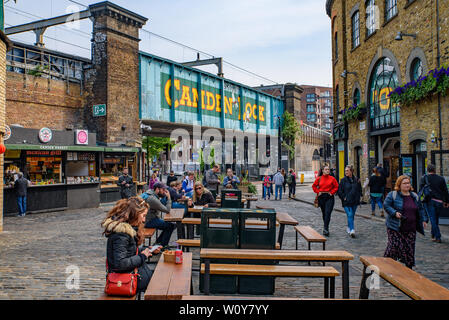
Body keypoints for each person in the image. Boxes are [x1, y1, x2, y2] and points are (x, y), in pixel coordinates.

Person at [102, 197, 161, 295]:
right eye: (143, 215)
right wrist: (143, 256)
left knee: (160, 276)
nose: (144, 219)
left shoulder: (127, 230)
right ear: (135, 214)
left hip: (132, 274)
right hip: (126, 279)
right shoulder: (121, 235)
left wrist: (147, 250)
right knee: (162, 281)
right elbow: (120, 263)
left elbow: (129, 252)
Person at [383, 175, 428, 269]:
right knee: (394, 246)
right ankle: (386, 264)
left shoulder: (414, 196)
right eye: (405, 183)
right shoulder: (393, 195)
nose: (407, 185)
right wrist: (394, 213)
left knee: (409, 249)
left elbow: (420, 209)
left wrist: (424, 219)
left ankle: (409, 268)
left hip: (410, 228)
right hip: (395, 227)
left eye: (408, 183)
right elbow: (386, 205)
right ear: (399, 185)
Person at [419, 164, 449, 243]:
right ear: (434, 170)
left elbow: (421, 190)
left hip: (429, 201)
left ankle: (438, 236)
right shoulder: (441, 178)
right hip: (439, 202)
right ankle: (433, 234)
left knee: (433, 220)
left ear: (427, 170)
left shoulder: (424, 178)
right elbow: (445, 191)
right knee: (436, 219)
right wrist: (446, 201)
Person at [143, 182, 176, 247]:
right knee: (171, 226)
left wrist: (165, 197)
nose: (164, 191)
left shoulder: (150, 193)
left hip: (148, 219)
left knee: (169, 225)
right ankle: (163, 246)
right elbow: (167, 210)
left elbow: (161, 204)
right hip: (147, 221)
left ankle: (159, 242)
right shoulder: (152, 199)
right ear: (157, 189)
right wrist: (169, 198)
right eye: (163, 189)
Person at [312, 165, 339, 236]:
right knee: (324, 213)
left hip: (329, 197)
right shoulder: (319, 178)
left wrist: (332, 192)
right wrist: (318, 191)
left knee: (328, 212)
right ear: (323, 170)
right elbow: (314, 186)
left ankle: (326, 228)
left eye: (328, 169)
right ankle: (326, 226)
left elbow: (336, 186)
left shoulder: (332, 178)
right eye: (326, 169)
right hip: (321, 197)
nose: (328, 170)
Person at [337, 165, 362, 238]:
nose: (346, 172)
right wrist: (343, 197)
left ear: (351, 171)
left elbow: (359, 189)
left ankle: (349, 226)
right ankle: (352, 230)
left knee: (352, 215)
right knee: (350, 214)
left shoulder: (356, 179)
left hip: (354, 201)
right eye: (345, 171)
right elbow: (339, 191)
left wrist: (359, 196)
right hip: (346, 202)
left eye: (347, 170)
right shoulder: (343, 180)